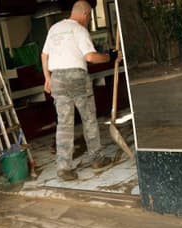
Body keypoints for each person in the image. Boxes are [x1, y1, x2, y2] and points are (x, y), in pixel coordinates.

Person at [41, 0, 120, 181]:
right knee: (88, 119)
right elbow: (91, 57)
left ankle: (63, 167)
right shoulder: (79, 30)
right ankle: (97, 160)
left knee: (64, 124)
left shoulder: (54, 29)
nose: (89, 20)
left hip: (57, 79)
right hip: (76, 78)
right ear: (85, 14)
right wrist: (110, 56)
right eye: (90, 17)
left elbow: (44, 55)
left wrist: (47, 78)